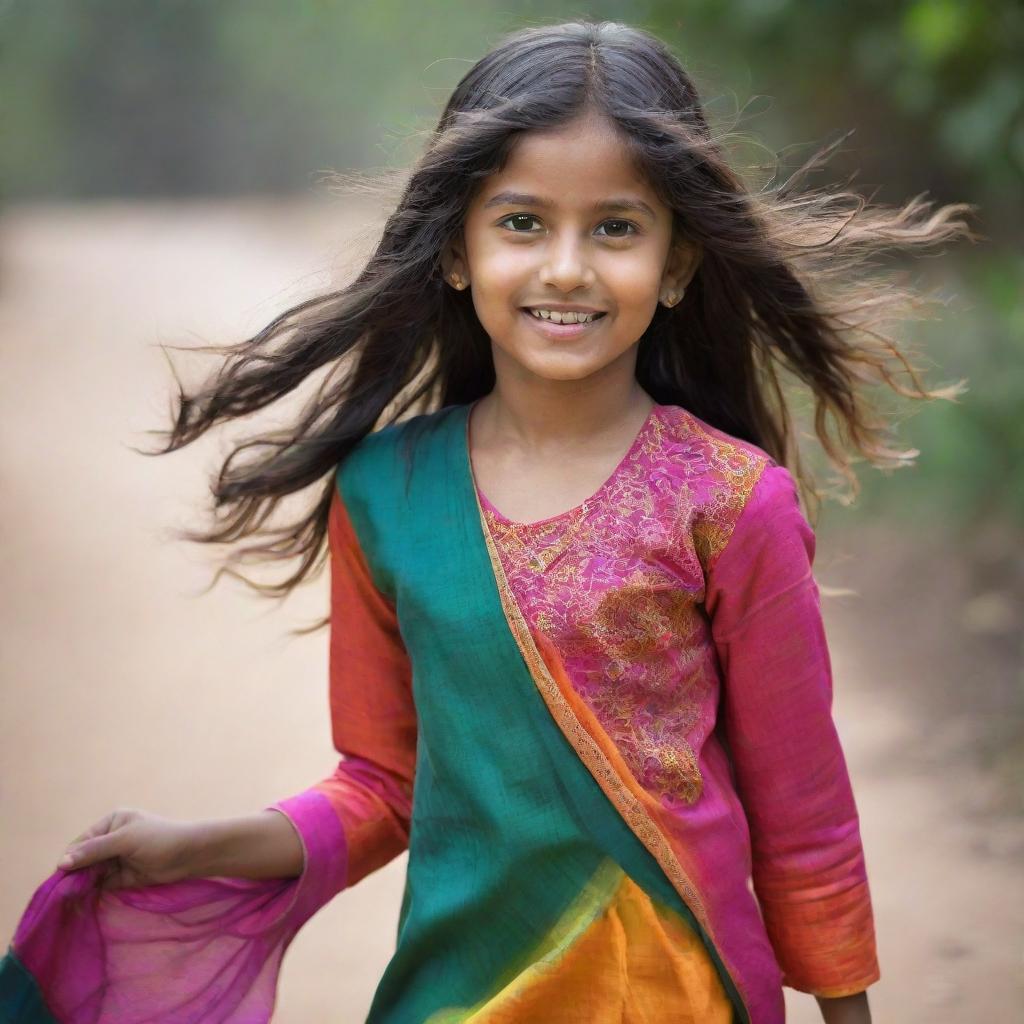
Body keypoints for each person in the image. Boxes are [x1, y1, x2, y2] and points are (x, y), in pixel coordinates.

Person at [0, 18, 976, 1024]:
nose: (565, 267)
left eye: (615, 227)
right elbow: (384, 788)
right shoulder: (386, 493)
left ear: (676, 265)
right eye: (520, 223)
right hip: (459, 997)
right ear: (457, 251)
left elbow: (803, 816)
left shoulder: (730, 500)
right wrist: (193, 845)